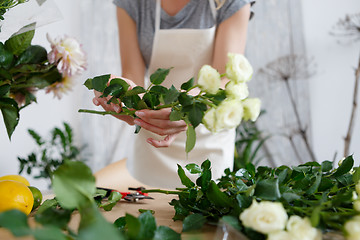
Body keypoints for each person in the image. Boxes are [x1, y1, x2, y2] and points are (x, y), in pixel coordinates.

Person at [93, 0, 255, 189]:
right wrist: (118, 94)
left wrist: (184, 108)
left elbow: (224, 79)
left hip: (208, 142)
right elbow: (132, 77)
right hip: (152, 137)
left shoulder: (231, 2)